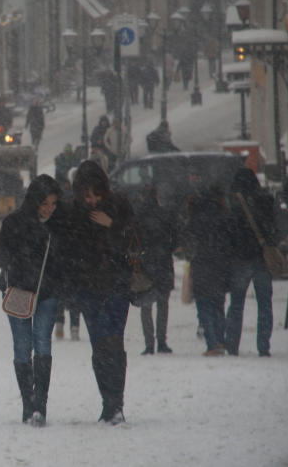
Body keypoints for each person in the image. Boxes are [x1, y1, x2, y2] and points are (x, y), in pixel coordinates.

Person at [54, 160, 134, 424]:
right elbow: (66, 251)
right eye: (86, 195)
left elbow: (135, 241)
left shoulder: (119, 207)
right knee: (99, 346)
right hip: (88, 289)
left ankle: (116, 403)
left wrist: (112, 225)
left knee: (114, 343)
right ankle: (108, 403)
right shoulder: (72, 214)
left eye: (95, 194)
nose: (91, 201)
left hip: (117, 286)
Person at [0, 174, 62, 427]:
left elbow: (61, 261)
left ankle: (40, 405)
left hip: (46, 292)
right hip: (20, 291)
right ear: (34, 201)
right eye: (45, 203)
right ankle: (28, 403)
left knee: (42, 343)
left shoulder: (57, 226)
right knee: (23, 346)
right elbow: (2, 256)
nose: (49, 209)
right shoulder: (14, 223)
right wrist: (23, 267)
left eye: (53, 204)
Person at [225, 168, 276, 357]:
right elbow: (272, 227)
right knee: (265, 304)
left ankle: (232, 344)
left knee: (236, 304)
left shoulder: (235, 201)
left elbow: (229, 231)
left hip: (240, 258)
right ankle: (263, 345)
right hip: (262, 257)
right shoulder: (265, 199)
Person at [183, 184, 234, 356]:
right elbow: (228, 242)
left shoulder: (195, 220)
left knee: (204, 306)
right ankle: (220, 340)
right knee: (218, 305)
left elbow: (188, 245)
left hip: (202, 267)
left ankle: (211, 344)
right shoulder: (223, 217)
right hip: (220, 267)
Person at [136, 185, 177, 355]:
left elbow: (134, 239)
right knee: (163, 304)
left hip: (146, 263)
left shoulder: (139, 216)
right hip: (164, 263)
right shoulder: (165, 214)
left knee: (146, 305)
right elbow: (175, 237)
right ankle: (162, 341)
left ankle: (149, 343)